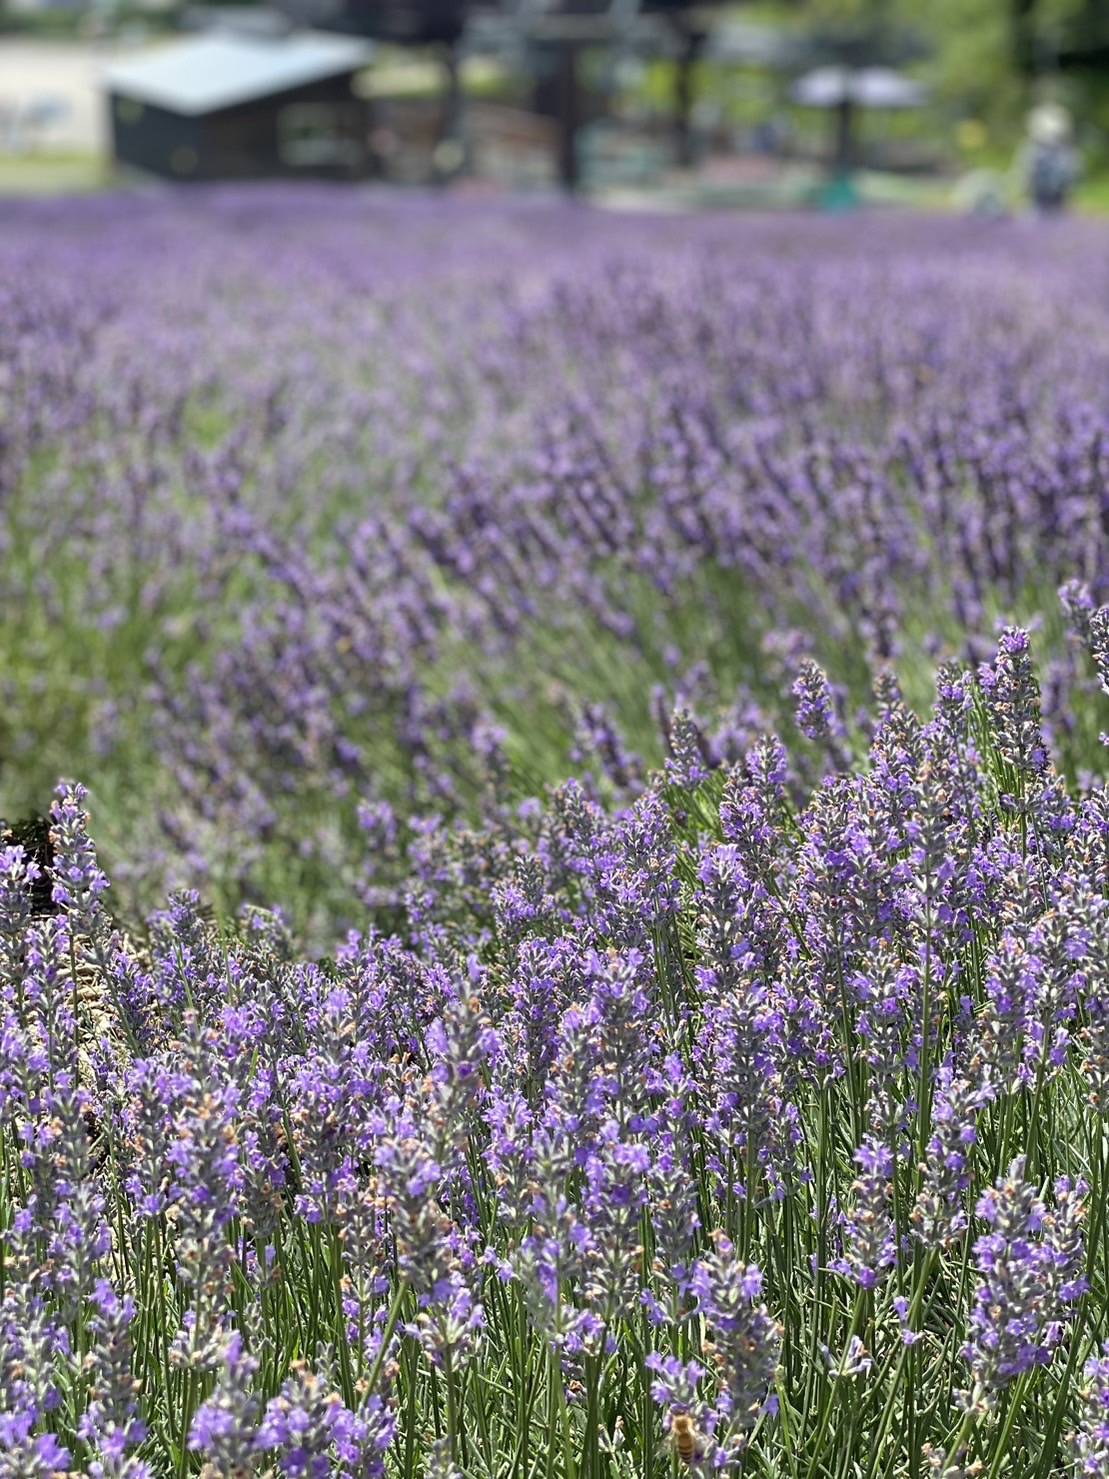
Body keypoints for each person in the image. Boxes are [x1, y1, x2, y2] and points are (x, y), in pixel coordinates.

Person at [1022, 101, 1079, 214]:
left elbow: (1072, 174)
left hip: (1058, 198)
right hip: (1039, 197)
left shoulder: (1065, 152)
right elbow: (1027, 172)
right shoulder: (1034, 150)